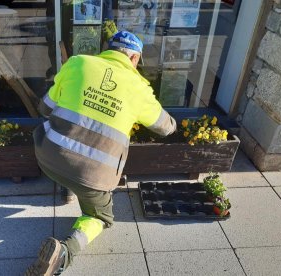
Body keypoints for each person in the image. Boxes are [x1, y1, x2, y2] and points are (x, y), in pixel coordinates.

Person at [26, 31, 176, 276]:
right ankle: (64, 254)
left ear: (108, 49)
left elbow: (44, 108)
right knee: (100, 217)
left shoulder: (77, 63)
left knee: (67, 142)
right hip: (92, 176)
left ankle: (68, 187)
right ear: (135, 58)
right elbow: (165, 127)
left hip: (48, 158)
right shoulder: (139, 87)